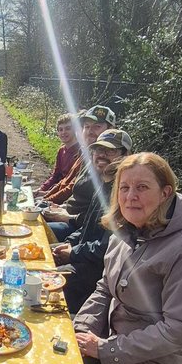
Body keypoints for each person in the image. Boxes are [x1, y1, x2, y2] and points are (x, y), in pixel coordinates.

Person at [73, 153, 182, 364]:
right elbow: (105, 288)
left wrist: (105, 349)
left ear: (165, 193)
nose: (130, 196)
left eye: (142, 187)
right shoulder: (126, 231)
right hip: (122, 337)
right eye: (124, 188)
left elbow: (178, 330)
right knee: (59, 342)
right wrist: (81, 329)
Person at [54, 130, 132, 314]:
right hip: (83, 257)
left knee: (42, 282)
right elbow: (85, 227)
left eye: (110, 151)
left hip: (98, 272)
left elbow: (106, 249)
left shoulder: (123, 194)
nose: (102, 155)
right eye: (98, 150)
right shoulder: (104, 184)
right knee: (38, 258)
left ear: (126, 156)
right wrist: (68, 244)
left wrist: (73, 253)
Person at [42, 106, 117, 238]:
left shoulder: (108, 164)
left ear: (111, 130)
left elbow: (101, 216)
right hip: (68, 213)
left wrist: (69, 217)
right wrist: (61, 206)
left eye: (97, 127)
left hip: (78, 227)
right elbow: (69, 184)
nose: (90, 131)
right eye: (86, 127)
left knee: (35, 231)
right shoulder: (88, 155)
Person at [39, 114, 79, 193]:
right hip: (56, 189)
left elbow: (71, 183)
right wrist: (41, 189)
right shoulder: (61, 150)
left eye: (68, 128)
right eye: (60, 129)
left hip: (66, 193)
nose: (64, 132)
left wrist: (48, 194)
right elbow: (55, 175)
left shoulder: (80, 152)